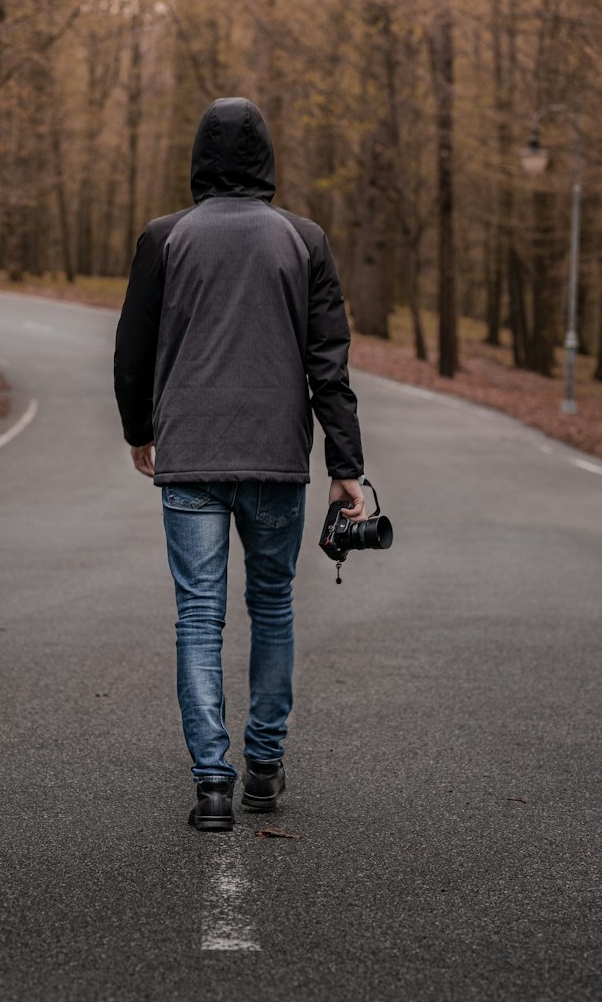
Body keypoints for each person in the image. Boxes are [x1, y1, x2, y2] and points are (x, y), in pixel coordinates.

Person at [113, 97, 365, 832]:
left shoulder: (165, 238)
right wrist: (346, 463)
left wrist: (140, 429)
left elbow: (132, 350)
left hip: (190, 455)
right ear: (266, 159)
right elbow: (330, 361)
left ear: (199, 159)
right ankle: (264, 765)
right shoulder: (304, 238)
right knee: (274, 607)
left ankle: (212, 784)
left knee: (199, 615)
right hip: (276, 459)